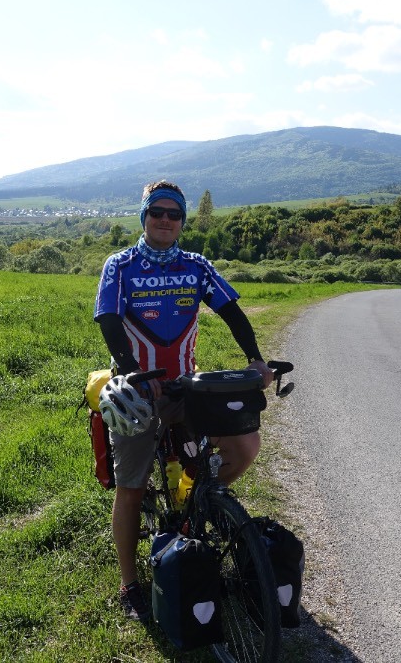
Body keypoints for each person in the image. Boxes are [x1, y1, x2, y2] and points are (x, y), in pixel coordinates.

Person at [93, 179, 274, 621]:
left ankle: (195, 511)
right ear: (144, 216)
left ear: (182, 221)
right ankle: (130, 584)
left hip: (187, 387)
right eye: (158, 212)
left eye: (175, 214)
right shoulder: (121, 264)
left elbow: (230, 310)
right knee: (132, 488)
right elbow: (110, 319)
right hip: (138, 393)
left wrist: (255, 359)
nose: (166, 220)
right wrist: (131, 370)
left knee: (244, 447)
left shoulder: (196, 266)